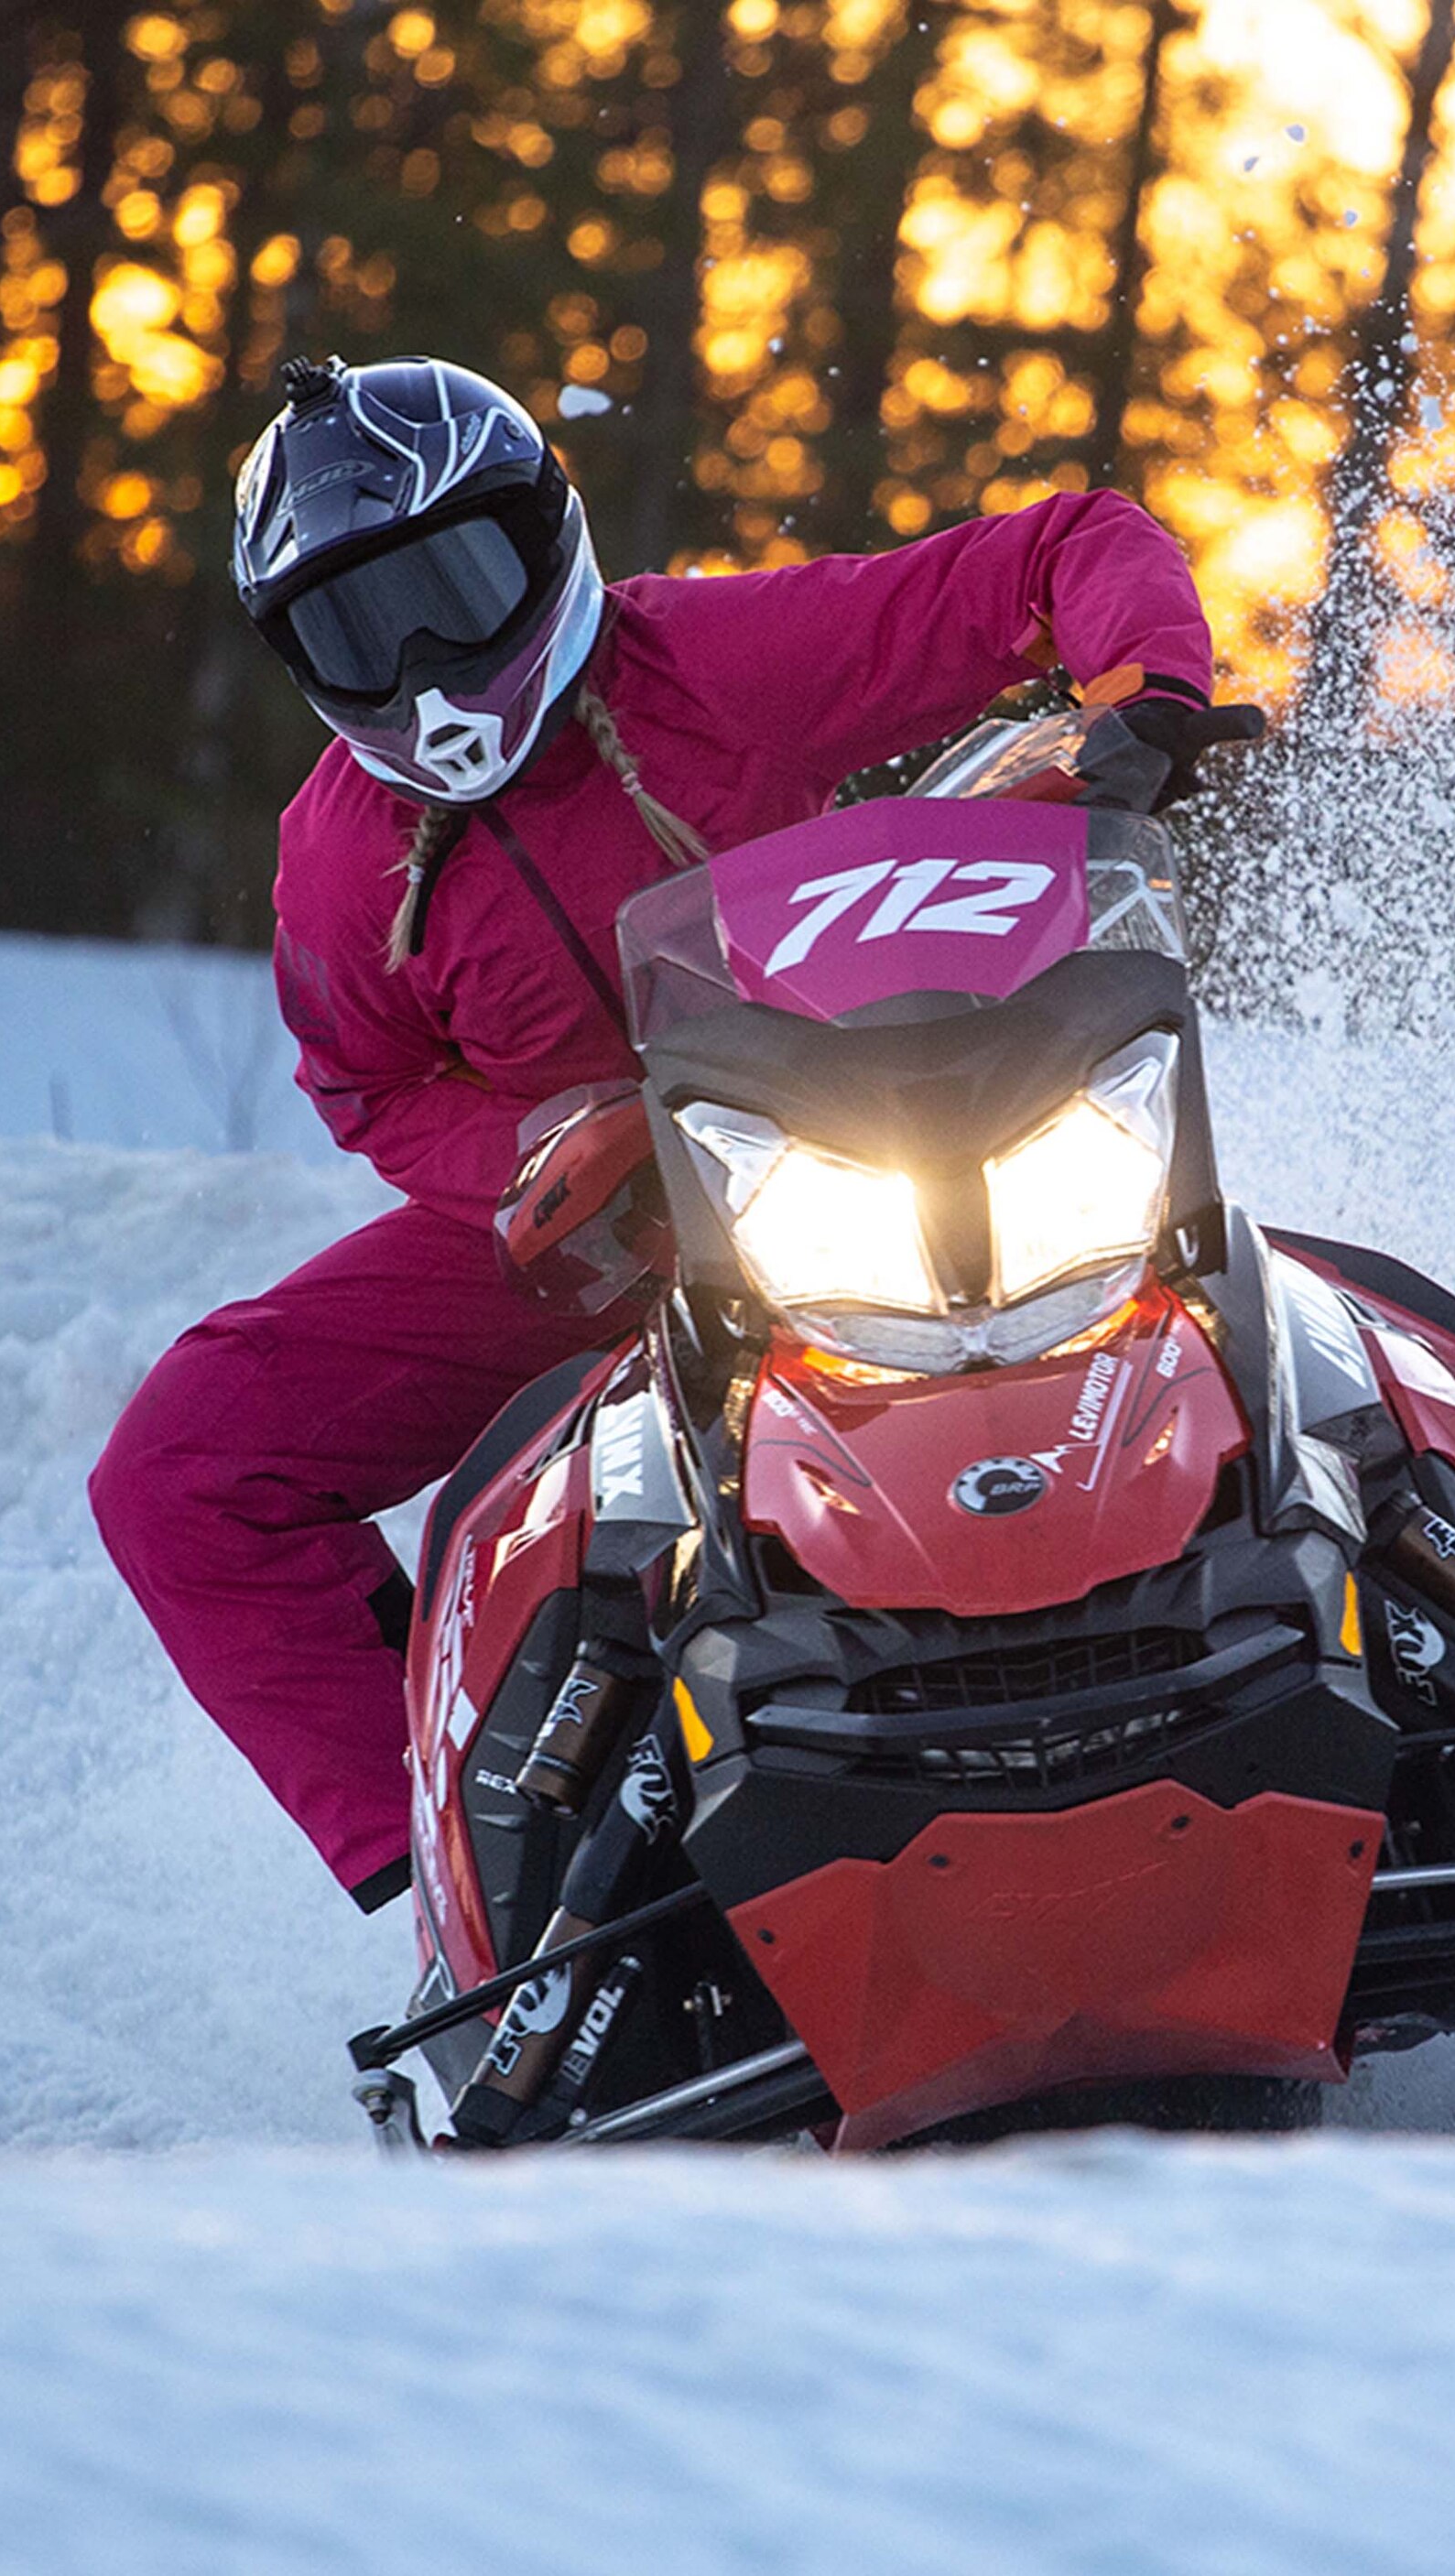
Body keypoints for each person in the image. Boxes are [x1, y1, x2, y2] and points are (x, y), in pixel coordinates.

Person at [90, 355, 1262, 1910]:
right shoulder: (334, 860)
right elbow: (366, 1084)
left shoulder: (714, 660)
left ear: (541, 535)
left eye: (455, 583)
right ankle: (486, 1885)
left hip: (867, 1149)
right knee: (179, 1467)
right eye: (360, 627)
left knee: (1236, 1300)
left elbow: (1064, 549)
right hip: (591, 1244)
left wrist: (1145, 691)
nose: (425, 658)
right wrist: (528, 1150)